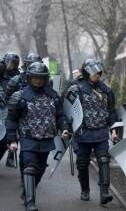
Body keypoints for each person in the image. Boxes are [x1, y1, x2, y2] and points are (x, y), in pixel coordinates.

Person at [7, 62, 69, 211]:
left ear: (46, 79)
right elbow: (11, 119)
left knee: (39, 169)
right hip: (28, 138)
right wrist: (12, 140)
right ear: (29, 78)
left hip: (47, 138)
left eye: (41, 78)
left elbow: (60, 116)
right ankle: (30, 203)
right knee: (29, 166)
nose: (38, 81)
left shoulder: (53, 95)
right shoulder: (20, 96)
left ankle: (27, 191)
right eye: (35, 78)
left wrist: (65, 128)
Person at [66, 59, 118, 204]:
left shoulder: (106, 90)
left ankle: (105, 192)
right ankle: (85, 190)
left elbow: (112, 112)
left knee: (104, 160)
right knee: (82, 163)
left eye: (99, 73)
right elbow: (67, 111)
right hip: (82, 133)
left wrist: (114, 129)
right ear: (87, 72)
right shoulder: (75, 89)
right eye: (95, 72)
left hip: (101, 132)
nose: (97, 75)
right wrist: (67, 129)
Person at [0, 52, 20, 163]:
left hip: (11, 111)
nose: (11, 65)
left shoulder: (18, 77)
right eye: (9, 62)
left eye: (14, 63)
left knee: (6, 140)